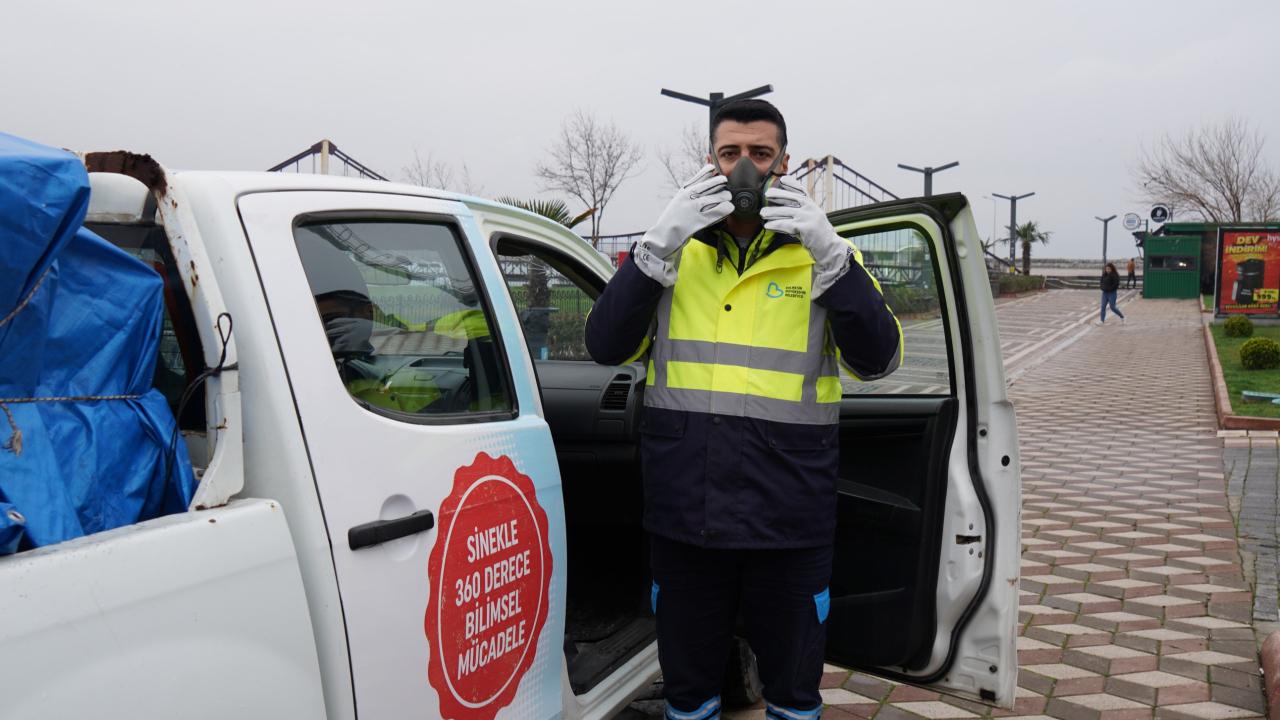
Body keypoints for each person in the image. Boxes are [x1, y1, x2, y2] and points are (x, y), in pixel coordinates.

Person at [584, 99, 902, 720]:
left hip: (789, 514)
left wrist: (831, 254)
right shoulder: (672, 256)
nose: (744, 170)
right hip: (687, 514)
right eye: (730, 154)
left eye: (760, 154)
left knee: (792, 690)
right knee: (689, 690)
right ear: (710, 162)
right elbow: (604, 345)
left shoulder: (822, 256)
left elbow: (880, 361)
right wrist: (656, 244)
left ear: (783, 162)